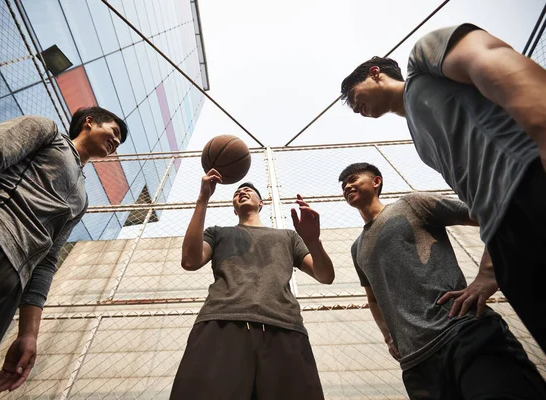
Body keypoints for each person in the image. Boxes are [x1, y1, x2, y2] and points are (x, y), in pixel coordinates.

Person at [340, 24, 546, 353]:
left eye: (353, 97)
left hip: (532, 181)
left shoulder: (423, 60)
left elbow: (493, 58)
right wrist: (489, 271)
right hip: (508, 237)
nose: (355, 107)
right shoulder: (420, 140)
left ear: (375, 73)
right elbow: (479, 200)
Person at [0, 106, 127, 398]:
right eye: (115, 132)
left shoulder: (82, 199)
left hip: (12, 284)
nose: (117, 142)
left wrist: (28, 334)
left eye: (119, 141)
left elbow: (47, 262)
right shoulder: (47, 131)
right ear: (89, 122)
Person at [340, 162, 546, 399]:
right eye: (344, 185)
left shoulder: (411, 205)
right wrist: (388, 335)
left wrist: (488, 275)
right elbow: (373, 299)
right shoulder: (357, 248)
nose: (347, 186)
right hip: (416, 364)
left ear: (376, 181)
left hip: (463, 333)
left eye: (353, 179)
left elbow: (492, 214)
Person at [170, 168, 335, 400]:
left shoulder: (288, 236)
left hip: (284, 326)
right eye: (237, 191)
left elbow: (325, 276)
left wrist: (312, 240)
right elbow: (190, 261)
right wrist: (203, 199)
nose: (243, 191)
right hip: (222, 321)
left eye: (249, 190)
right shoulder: (218, 233)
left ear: (262, 203)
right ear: (233, 206)